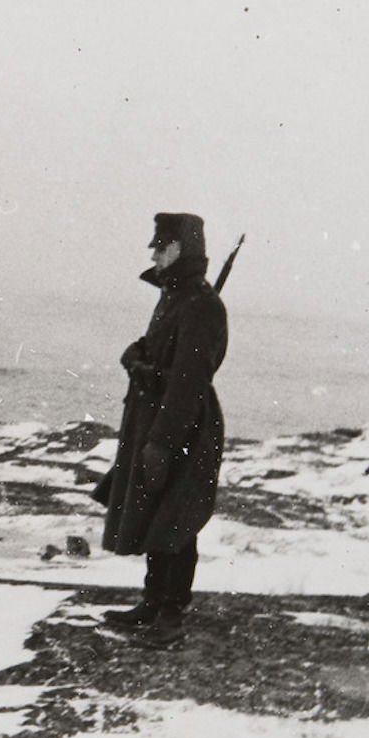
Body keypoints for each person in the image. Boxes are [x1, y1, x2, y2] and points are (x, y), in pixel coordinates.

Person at [94, 212, 229, 645]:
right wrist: (136, 355)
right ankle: (152, 602)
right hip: (157, 419)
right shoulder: (176, 297)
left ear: (180, 248)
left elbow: (189, 381)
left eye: (161, 246)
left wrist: (162, 443)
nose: (153, 254)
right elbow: (159, 349)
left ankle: (171, 615)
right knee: (156, 514)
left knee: (176, 521)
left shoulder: (202, 305)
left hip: (182, 425)